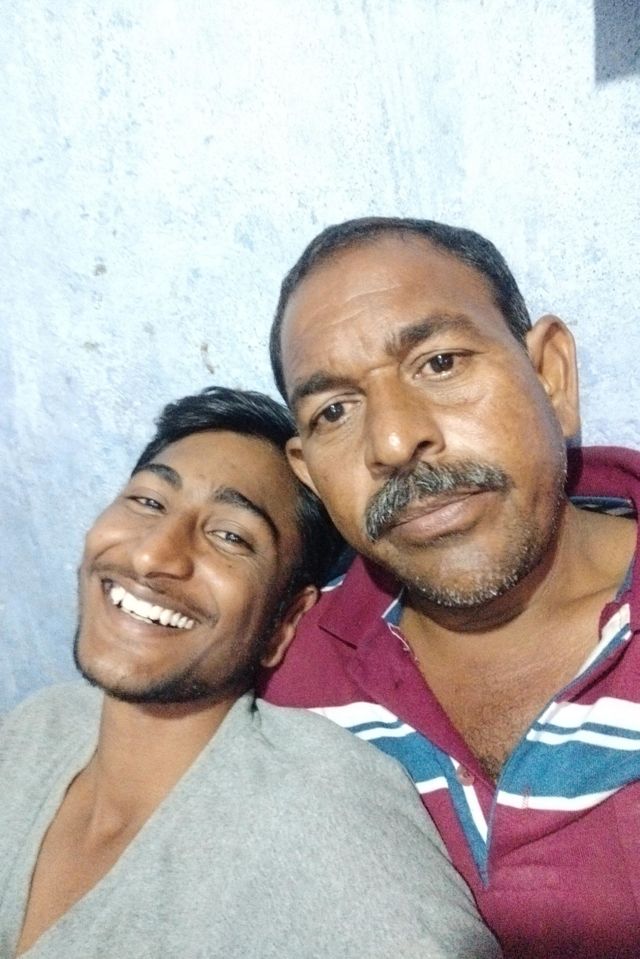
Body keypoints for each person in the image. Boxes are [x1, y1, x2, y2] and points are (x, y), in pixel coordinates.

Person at [0, 386, 499, 959]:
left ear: (284, 622)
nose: (153, 556)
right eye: (148, 502)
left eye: (230, 536)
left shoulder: (320, 815)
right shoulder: (36, 730)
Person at [262, 216, 640, 959]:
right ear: (309, 472)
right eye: (334, 410)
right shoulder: (290, 683)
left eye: (439, 362)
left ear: (551, 375)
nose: (394, 441)